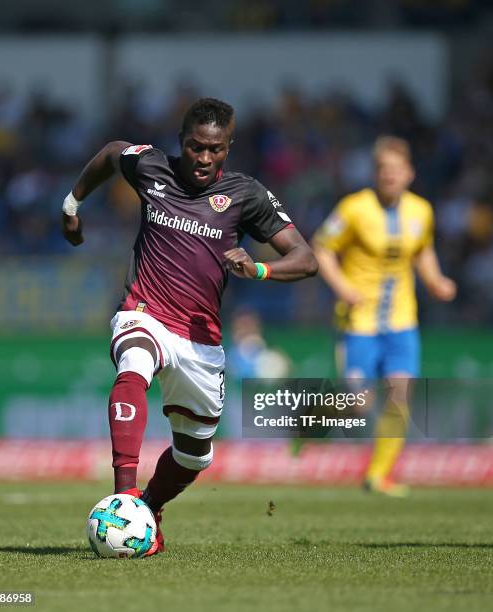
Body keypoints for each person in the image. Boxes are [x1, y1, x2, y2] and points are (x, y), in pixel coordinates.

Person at [61, 98, 317, 554]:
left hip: (200, 340)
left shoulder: (246, 195)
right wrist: (71, 203)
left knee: (195, 454)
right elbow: (109, 153)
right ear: (181, 141)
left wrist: (258, 269)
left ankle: (149, 506)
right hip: (146, 311)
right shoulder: (151, 167)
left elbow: (305, 258)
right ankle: (124, 495)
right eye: (195, 147)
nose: (203, 158)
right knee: (133, 366)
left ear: (228, 148)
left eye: (214, 150)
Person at [313, 136, 456, 496]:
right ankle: (312, 421)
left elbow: (423, 251)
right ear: (375, 173)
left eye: (396, 170)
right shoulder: (353, 208)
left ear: (409, 173)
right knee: (360, 405)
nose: (390, 176)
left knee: (400, 395)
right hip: (359, 319)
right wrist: (343, 287)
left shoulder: (421, 211)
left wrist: (436, 280)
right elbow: (322, 248)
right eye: (383, 170)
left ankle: (378, 475)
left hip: (401, 320)